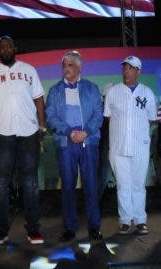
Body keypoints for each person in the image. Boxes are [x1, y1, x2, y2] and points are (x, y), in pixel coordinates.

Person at [0, 35, 46, 245]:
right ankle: (1, 230)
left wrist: (42, 125)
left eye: (9, 45)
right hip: (2, 134)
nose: (6, 48)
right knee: (0, 185)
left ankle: (33, 229)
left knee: (31, 184)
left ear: (15, 47)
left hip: (28, 134)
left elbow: (38, 98)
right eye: (1, 46)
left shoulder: (28, 69)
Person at [46, 50, 103, 242]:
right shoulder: (54, 91)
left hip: (88, 140)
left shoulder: (92, 88)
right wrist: (69, 132)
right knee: (68, 186)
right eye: (63, 65)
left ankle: (94, 227)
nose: (65, 68)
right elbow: (51, 117)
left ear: (79, 67)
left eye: (70, 64)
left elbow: (98, 113)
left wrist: (85, 132)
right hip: (66, 141)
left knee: (91, 185)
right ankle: (69, 228)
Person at [104, 56, 157, 235]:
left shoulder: (147, 93)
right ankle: (125, 220)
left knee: (138, 185)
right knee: (122, 185)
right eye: (125, 67)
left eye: (131, 68)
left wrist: (135, 132)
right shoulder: (113, 92)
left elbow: (150, 119)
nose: (126, 70)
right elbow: (109, 117)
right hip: (118, 148)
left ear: (138, 71)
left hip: (140, 147)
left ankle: (140, 220)